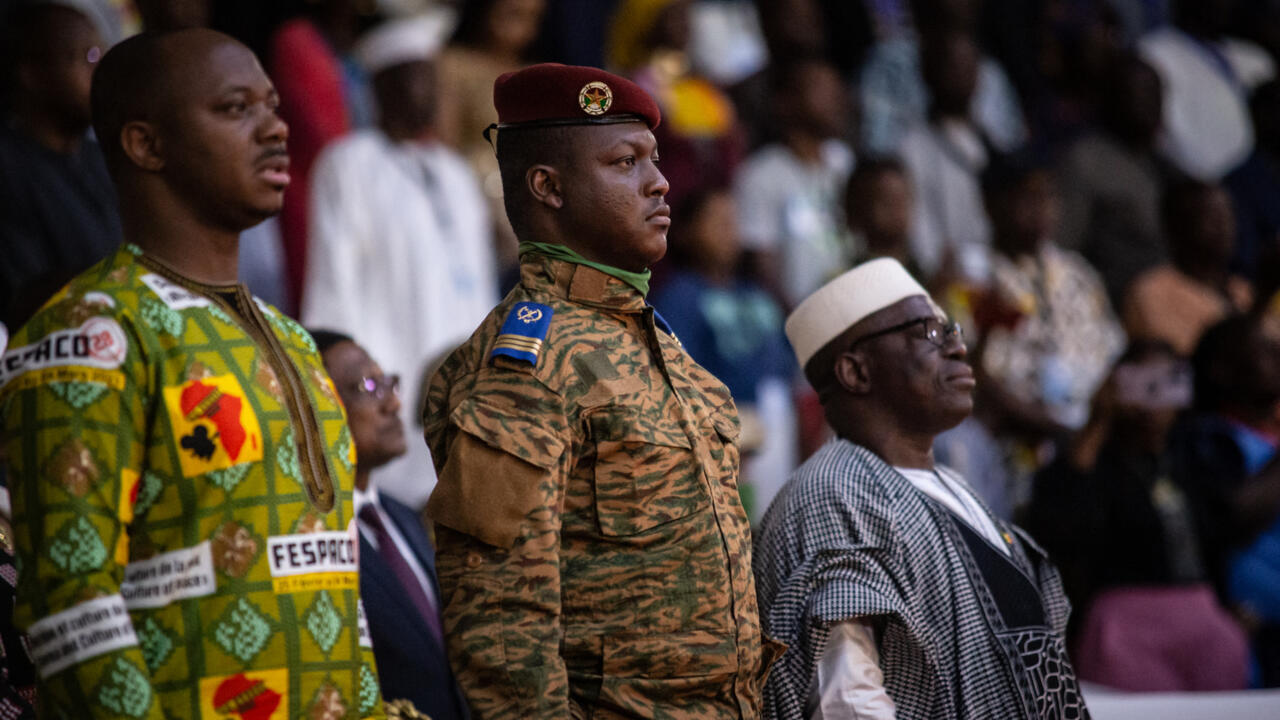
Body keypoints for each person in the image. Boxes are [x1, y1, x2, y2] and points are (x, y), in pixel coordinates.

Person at [0, 30, 384, 718]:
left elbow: (335, 580)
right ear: (145, 144)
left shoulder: (295, 341)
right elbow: (70, 605)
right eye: (236, 108)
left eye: (273, 104)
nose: (276, 127)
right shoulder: (89, 333)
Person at [423, 63, 778, 718]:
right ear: (548, 187)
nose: (660, 181)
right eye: (625, 163)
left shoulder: (658, 344)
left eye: (655, 160)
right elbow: (500, 622)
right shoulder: (523, 365)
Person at [753, 258, 1087, 719]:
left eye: (953, 330)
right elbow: (847, 702)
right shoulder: (834, 493)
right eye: (929, 332)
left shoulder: (953, 488)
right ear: (856, 371)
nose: (956, 348)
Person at [303, 13, 497, 509]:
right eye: (416, 75)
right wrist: (349, 393)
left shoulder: (453, 171)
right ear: (383, 84)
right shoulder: (348, 164)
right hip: (389, 389)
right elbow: (334, 286)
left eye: (434, 77)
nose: (430, 90)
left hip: (465, 395)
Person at [1027, 342, 1250, 691]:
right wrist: (1099, 420)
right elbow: (1060, 527)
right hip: (1123, 631)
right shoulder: (1092, 459)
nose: (1154, 396)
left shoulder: (1196, 454)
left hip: (1204, 620)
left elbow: (1225, 528)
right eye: (1141, 382)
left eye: (1167, 380)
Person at [314, 330, 468, 719]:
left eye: (389, 383)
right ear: (313, 405)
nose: (394, 402)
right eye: (367, 386)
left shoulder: (406, 518)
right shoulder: (313, 535)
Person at [649, 188, 795, 523]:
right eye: (716, 221)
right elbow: (680, 381)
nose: (729, 230)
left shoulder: (756, 292)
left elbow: (788, 363)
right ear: (685, 233)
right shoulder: (678, 298)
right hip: (730, 443)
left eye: (733, 220)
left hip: (782, 428)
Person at [0, 2, 122, 329]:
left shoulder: (101, 159)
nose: (100, 72)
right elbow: (24, 298)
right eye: (87, 56)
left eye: (102, 54)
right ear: (33, 73)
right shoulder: (10, 168)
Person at [733, 57, 855, 308]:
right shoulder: (761, 175)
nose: (836, 99)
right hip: (799, 318)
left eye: (836, 89)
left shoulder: (844, 161)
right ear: (785, 103)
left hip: (852, 308)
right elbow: (762, 268)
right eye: (821, 89)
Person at [1057, 53, 1171, 306]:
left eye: (1154, 93)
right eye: (1136, 93)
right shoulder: (1087, 161)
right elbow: (1063, 251)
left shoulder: (1168, 168)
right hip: (1113, 303)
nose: (1147, 102)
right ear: (1111, 98)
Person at [1138, 0, 1275, 181]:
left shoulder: (1255, 59)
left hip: (1260, 176)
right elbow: (1173, 145)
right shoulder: (1156, 52)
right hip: (1202, 184)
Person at [899, 29, 995, 283]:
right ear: (928, 73)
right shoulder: (913, 148)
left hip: (997, 275)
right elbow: (920, 234)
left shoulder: (993, 142)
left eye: (969, 63)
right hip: (947, 282)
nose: (961, 73)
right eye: (952, 64)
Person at [1123, 180, 1253, 357]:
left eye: (1228, 214)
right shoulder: (1151, 292)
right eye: (1211, 216)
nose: (1224, 226)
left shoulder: (1243, 291)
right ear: (1178, 226)